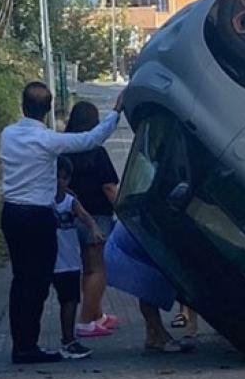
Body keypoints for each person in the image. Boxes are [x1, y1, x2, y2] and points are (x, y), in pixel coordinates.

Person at [0, 81, 122, 365]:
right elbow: (90, 140)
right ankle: (28, 347)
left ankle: (21, 342)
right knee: (39, 282)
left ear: (22, 105)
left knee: (21, 280)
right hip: (38, 216)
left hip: (11, 214)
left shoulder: (7, 135)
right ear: (49, 107)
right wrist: (116, 113)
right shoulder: (47, 141)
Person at [64, 101, 122, 339]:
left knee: (86, 269)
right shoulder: (97, 152)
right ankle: (87, 321)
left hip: (72, 215)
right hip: (97, 216)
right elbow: (109, 187)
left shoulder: (64, 149)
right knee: (97, 269)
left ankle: (96, 315)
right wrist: (123, 209)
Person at [104, 221, 194, 354]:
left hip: (134, 237)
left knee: (148, 289)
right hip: (136, 239)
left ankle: (153, 336)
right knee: (148, 289)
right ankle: (161, 336)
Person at [53, 156, 107, 360]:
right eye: (56, 176)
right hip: (50, 260)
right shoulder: (41, 200)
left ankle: (68, 340)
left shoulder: (69, 201)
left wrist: (94, 229)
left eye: (64, 178)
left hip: (68, 261)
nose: (59, 181)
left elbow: (85, 216)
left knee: (70, 301)